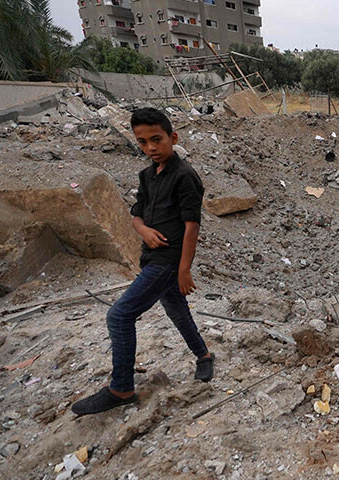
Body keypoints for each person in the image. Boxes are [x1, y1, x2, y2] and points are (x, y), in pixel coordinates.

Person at [72, 108, 214, 416]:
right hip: (151, 254)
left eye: (156, 140)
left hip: (168, 259)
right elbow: (136, 214)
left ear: (172, 138)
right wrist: (144, 230)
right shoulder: (147, 175)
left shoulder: (185, 176)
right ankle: (204, 356)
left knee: (119, 316)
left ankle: (122, 388)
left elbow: (192, 225)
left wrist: (184, 269)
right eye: (142, 142)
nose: (150, 147)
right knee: (175, 309)